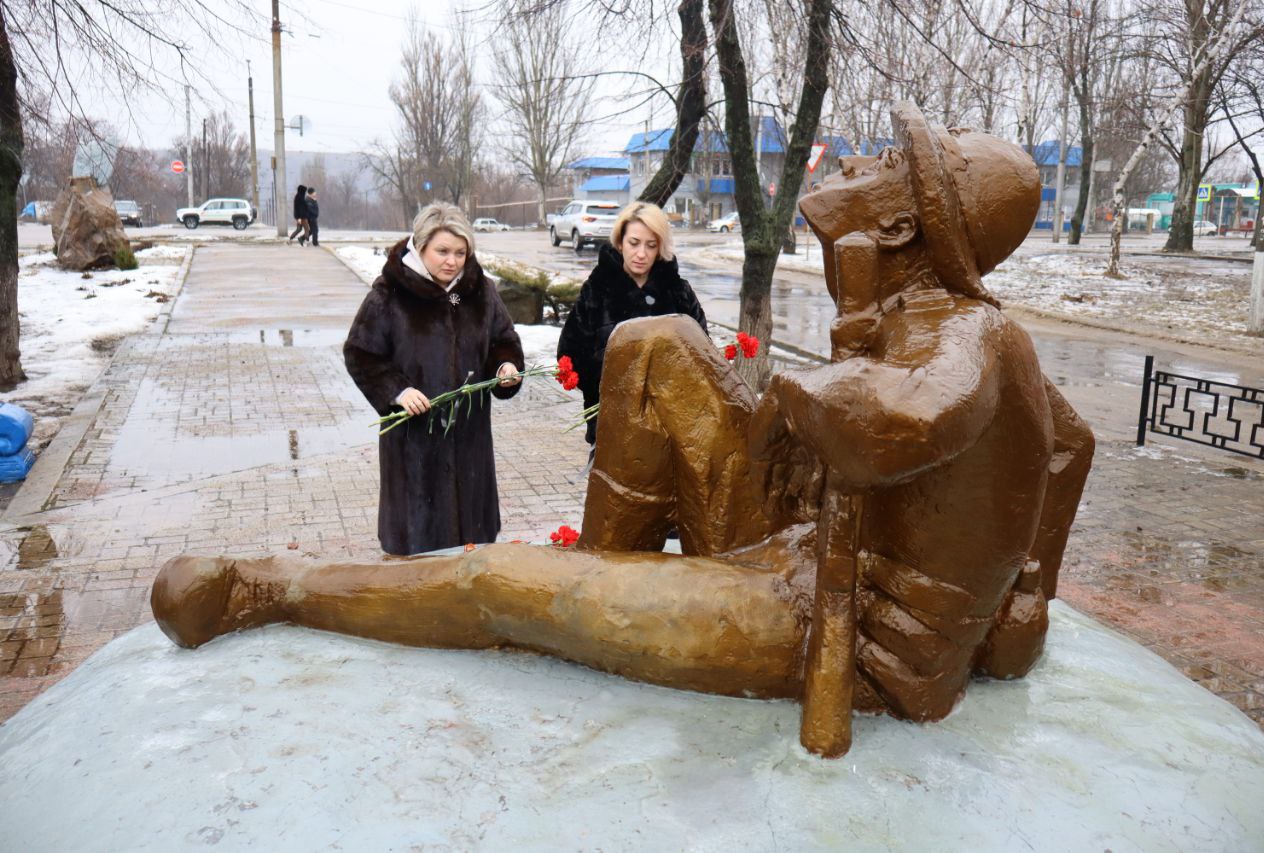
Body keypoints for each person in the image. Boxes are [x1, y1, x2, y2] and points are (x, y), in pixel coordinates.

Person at [150, 103, 1093, 757]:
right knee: (654, 341)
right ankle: (605, 577)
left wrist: (819, 384)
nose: (853, 164)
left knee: (493, 582)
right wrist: (1024, 598)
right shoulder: (917, 317)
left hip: (830, 629)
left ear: (899, 229)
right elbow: (1069, 443)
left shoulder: (973, 332)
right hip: (797, 549)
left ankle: (271, 591)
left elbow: (889, 427)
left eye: (888, 168)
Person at [342, 201, 525, 555]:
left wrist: (505, 367)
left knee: (473, 555)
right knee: (418, 560)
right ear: (421, 246)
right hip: (414, 446)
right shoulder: (390, 293)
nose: (452, 261)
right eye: (442, 251)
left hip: (470, 443)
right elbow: (360, 353)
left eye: (460, 252)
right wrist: (397, 390)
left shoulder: (480, 291)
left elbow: (504, 341)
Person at [556, 201, 707, 445]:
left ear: (660, 248)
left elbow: (701, 353)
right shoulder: (597, 290)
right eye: (634, 243)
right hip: (612, 427)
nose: (641, 254)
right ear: (620, 241)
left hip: (669, 430)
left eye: (651, 245)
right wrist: (611, 383)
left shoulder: (677, 291)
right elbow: (569, 353)